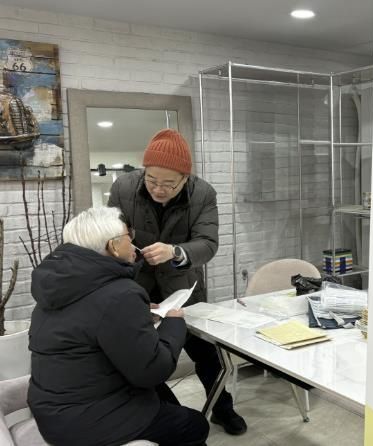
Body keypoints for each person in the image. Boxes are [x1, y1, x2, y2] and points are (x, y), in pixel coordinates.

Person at [28, 206, 209, 446]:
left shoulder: (59, 285)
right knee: (195, 425)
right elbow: (154, 370)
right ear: (113, 246)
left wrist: (136, 316)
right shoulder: (120, 294)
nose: (134, 244)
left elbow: (89, 323)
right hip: (88, 421)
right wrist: (174, 323)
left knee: (162, 396)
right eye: (128, 237)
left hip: (53, 410)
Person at [107, 128, 247, 435]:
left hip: (182, 289)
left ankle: (222, 409)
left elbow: (208, 243)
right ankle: (164, 414)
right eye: (152, 180)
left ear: (185, 178)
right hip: (137, 287)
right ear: (144, 171)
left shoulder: (203, 193)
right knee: (142, 358)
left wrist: (175, 252)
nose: (158, 189)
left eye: (169, 184)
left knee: (206, 355)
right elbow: (110, 232)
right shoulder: (123, 187)